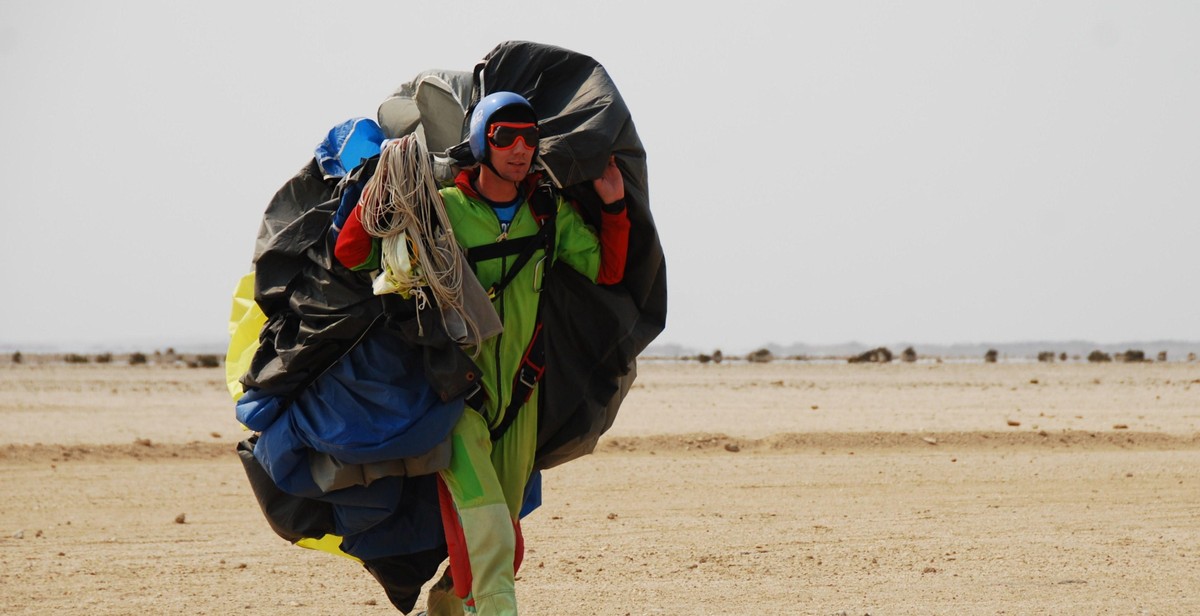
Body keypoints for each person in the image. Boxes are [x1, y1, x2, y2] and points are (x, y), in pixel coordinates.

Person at [335, 91, 630, 615]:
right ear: (480, 142)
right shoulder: (440, 209)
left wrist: (613, 205)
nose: (519, 148)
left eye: (529, 137)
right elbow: (354, 256)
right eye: (504, 136)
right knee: (489, 528)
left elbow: (605, 271)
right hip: (455, 394)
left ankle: (451, 604)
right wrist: (376, 195)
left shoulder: (546, 214)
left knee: (504, 537)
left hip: (521, 393)